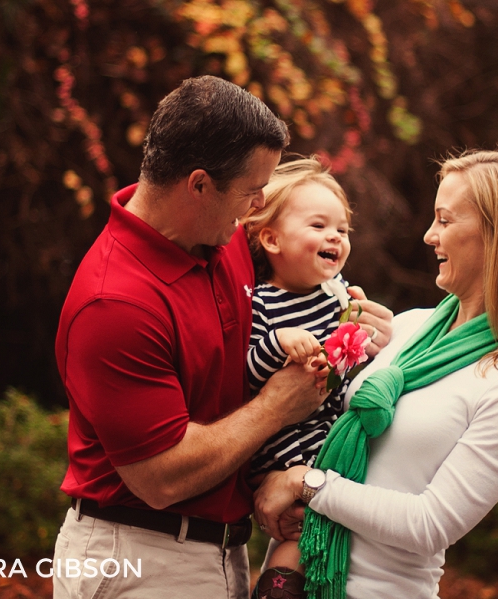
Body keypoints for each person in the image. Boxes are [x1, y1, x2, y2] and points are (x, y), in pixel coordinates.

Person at [52, 75, 392, 599]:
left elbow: (303, 272)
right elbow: (160, 478)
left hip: (223, 552)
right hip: (141, 558)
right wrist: (277, 407)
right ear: (199, 184)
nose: (260, 203)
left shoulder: (222, 238)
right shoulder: (115, 303)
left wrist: (359, 323)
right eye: (252, 189)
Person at [253, 149, 498, 599]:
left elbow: (429, 524)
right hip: (295, 580)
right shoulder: (406, 329)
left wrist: (305, 483)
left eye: (445, 220)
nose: (429, 235)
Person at [240, 157, 384, 598]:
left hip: (326, 433)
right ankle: (277, 590)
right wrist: (278, 344)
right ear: (272, 239)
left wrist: (365, 341)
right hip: (280, 444)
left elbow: (353, 371)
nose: (335, 238)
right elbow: (245, 374)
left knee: (325, 522)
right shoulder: (262, 304)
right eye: (319, 226)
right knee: (296, 531)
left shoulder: (338, 299)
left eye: (342, 230)